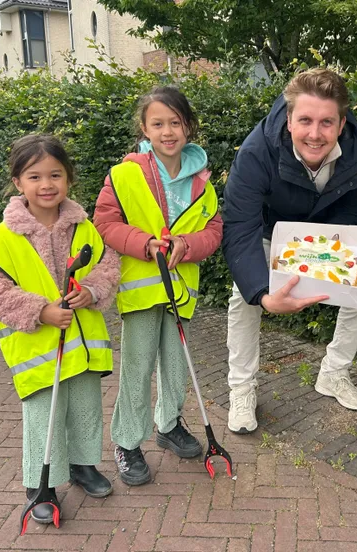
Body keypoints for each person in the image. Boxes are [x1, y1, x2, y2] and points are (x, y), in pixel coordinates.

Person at [222, 68, 357, 434]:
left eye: (326, 122)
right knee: (242, 297)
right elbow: (240, 225)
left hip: (322, 232)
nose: (315, 133)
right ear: (289, 120)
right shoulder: (255, 151)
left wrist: (321, 258)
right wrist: (262, 294)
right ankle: (241, 389)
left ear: (341, 124)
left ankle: (333, 373)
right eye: (305, 120)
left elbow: (351, 214)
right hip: (267, 229)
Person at [0, 134, 120, 523]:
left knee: (86, 409)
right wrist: (39, 311)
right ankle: (41, 484)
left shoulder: (85, 228)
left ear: (69, 178)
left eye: (55, 174)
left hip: (84, 346)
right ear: (18, 182)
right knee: (44, 417)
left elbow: (108, 266)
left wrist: (91, 291)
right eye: (34, 176)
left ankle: (83, 464)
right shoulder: (3, 239)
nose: (46, 184)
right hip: (37, 351)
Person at [94, 86, 222, 486]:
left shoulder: (202, 181)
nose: (168, 131)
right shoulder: (125, 173)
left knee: (174, 362)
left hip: (180, 290)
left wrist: (187, 245)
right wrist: (144, 244)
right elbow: (105, 223)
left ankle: (168, 424)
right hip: (143, 290)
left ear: (188, 126)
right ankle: (127, 442)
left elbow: (215, 230)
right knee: (138, 366)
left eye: (176, 122)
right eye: (158, 124)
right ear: (144, 129)